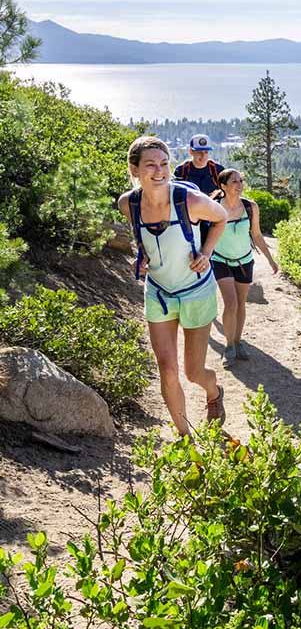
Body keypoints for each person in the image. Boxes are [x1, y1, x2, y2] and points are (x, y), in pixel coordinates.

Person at [118, 136, 227, 435]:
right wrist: (140, 257)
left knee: (194, 373)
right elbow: (142, 238)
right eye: (150, 165)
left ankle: (214, 390)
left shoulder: (189, 200)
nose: (159, 171)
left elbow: (221, 217)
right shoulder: (128, 203)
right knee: (167, 369)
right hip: (158, 293)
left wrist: (206, 253)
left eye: (164, 164)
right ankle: (184, 438)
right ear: (134, 169)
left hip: (196, 292)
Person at [211, 169, 278, 368]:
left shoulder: (250, 207)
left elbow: (256, 235)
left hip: (244, 261)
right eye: (234, 181)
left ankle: (238, 342)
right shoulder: (214, 208)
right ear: (223, 186)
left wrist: (270, 260)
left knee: (241, 304)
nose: (239, 184)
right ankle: (229, 346)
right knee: (230, 303)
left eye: (241, 181)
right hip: (220, 260)